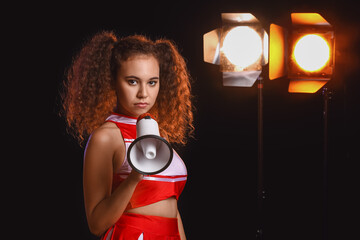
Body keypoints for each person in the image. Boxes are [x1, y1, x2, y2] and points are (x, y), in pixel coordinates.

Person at [61, 31, 194, 240]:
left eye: (152, 82)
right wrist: (134, 177)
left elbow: (172, 208)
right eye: (132, 81)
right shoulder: (106, 137)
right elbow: (96, 224)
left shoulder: (158, 133)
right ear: (113, 82)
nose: (143, 93)